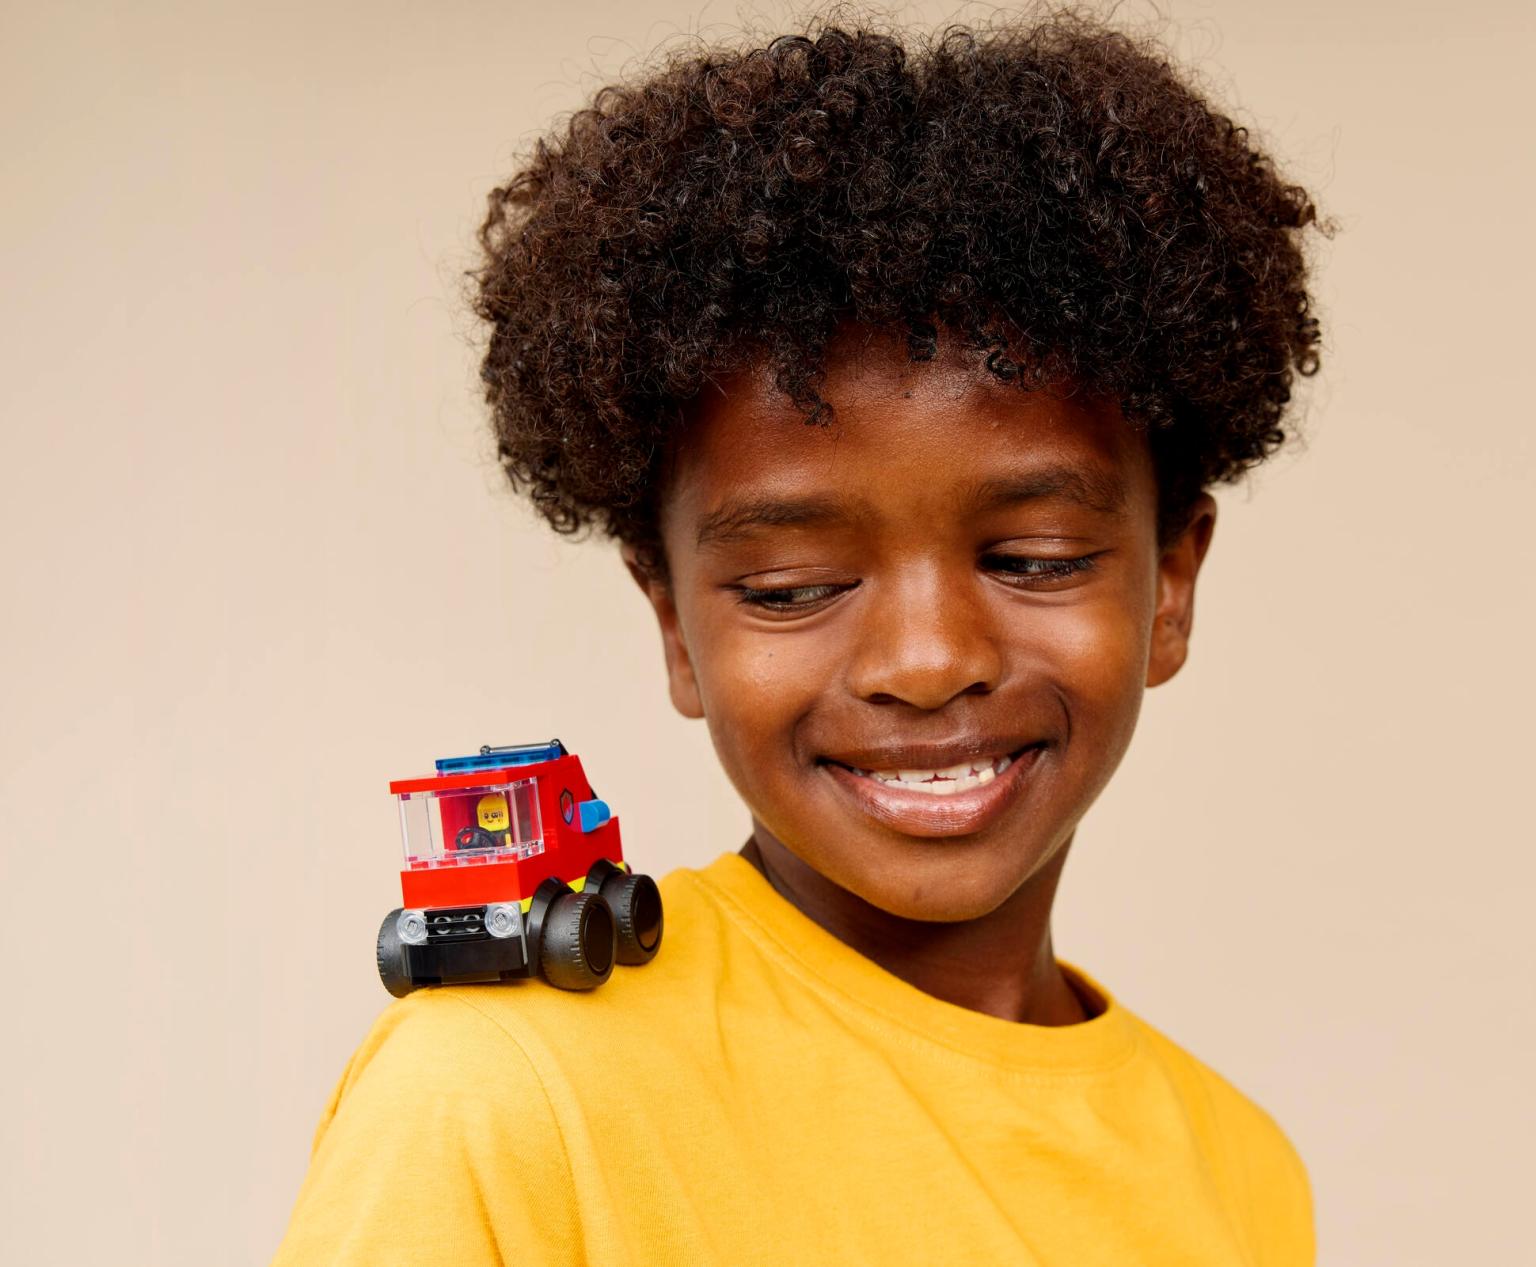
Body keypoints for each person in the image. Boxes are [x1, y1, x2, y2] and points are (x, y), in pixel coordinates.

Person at [275, 8, 1326, 1263]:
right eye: (790, 587)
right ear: (675, 626)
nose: (926, 661)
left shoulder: (1240, 1173)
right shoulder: (504, 1095)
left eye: (1033, 560)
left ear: (1168, 589)